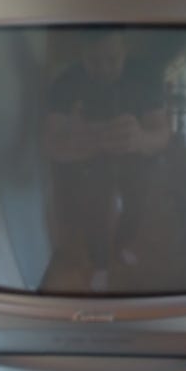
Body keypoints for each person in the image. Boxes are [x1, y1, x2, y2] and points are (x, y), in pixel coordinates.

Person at [44, 29, 171, 291]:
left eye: (112, 59)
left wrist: (140, 139)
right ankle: (100, 264)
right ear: (81, 54)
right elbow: (51, 146)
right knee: (94, 212)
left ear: (125, 50)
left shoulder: (146, 75)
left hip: (135, 155)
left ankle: (122, 246)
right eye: (93, 61)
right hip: (89, 158)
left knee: (137, 205)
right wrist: (77, 140)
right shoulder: (64, 82)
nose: (103, 69)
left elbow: (163, 134)